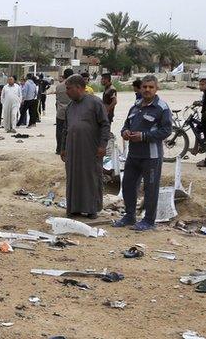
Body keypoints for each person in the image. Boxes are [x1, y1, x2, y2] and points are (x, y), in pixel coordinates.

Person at [116, 75, 172, 231]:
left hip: (151, 157)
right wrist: (125, 132)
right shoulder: (135, 106)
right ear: (140, 88)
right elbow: (125, 125)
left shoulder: (162, 107)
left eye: (151, 87)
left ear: (156, 88)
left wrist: (144, 136)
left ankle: (148, 220)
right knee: (128, 185)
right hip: (133, 155)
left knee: (151, 188)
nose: (147, 90)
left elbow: (166, 130)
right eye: (145, 87)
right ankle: (129, 216)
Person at [62, 74, 111, 219]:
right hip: (73, 149)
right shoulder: (70, 106)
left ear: (78, 88)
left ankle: (91, 209)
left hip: (91, 149)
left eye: (69, 89)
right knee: (73, 178)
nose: (67, 92)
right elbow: (66, 128)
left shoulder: (95, 103)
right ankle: (74, 208)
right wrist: (63, 148)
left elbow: (105, 125)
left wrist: (103, 145)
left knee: (91, 177)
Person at [54, 69, 73, 155]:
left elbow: (57, 100)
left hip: (60, 111)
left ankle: (59, 149)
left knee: (59, 130)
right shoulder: (73, 86)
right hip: (71, 112)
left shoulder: (59, 86)